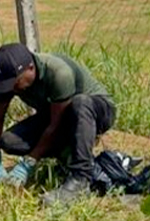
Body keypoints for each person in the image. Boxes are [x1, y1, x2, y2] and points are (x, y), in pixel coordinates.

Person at [0, 42, 116, 205]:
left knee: (80, 103)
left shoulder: (58, 73)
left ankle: (81, 177)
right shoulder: (11, 81)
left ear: (31, 68)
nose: (12, 88)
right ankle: (68, 154)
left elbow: (55, 127)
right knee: (9, 141)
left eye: (15, 82)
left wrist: (30, 162)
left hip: (96, 111)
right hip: (57, 115)